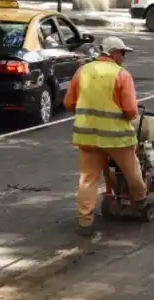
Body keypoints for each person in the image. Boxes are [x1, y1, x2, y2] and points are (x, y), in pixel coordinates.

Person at [64, 36, 149, 236]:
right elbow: (130, 110)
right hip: (116, 137)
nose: (124, 57)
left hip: (87, 137)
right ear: (113, 53)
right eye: (123, 53)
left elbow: (69, 103)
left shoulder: (82, 71)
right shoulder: (122, 75)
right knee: (132, 170)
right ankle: (141, 201)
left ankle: (85, 221)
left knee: (88, 179)